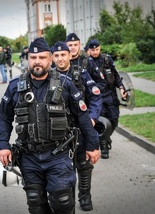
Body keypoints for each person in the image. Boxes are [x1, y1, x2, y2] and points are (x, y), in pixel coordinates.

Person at [0, 37, 100, 214]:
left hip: (58, 155)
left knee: (63, 202)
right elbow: (4, 117)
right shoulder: (15, 87)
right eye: (33, 58)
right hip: (29, 157)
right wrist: (3, 145)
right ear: (27, 59)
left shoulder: (65, 84)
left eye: (42, 57)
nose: (37, 62)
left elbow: (82, 116)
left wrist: (92, 145)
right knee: (36, 203)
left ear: (50, 59)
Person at [52, 41, 102, 211]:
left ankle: (85, 197)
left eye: (63, 55)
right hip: (60, 134)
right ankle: (69, 201)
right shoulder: (48, 77)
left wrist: (93, 118)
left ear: (69, 56)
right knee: (64, 172)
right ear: (52, 57)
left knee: (84, 165)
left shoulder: (80, 73)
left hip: (81, 128)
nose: (60, 58)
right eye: (56, 55)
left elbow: (95, 97)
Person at [87, 39, 127, 159]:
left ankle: (106, 137)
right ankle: (104, 147)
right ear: (89, 50)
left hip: (110, 95)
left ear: (100, 48)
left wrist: (121, 87)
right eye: (93, 50)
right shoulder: (87, 63)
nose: (95, 52)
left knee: (114, 119)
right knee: (102, 122)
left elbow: (115, 75)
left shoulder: (107, 59)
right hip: (97, 97)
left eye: (97, 49)